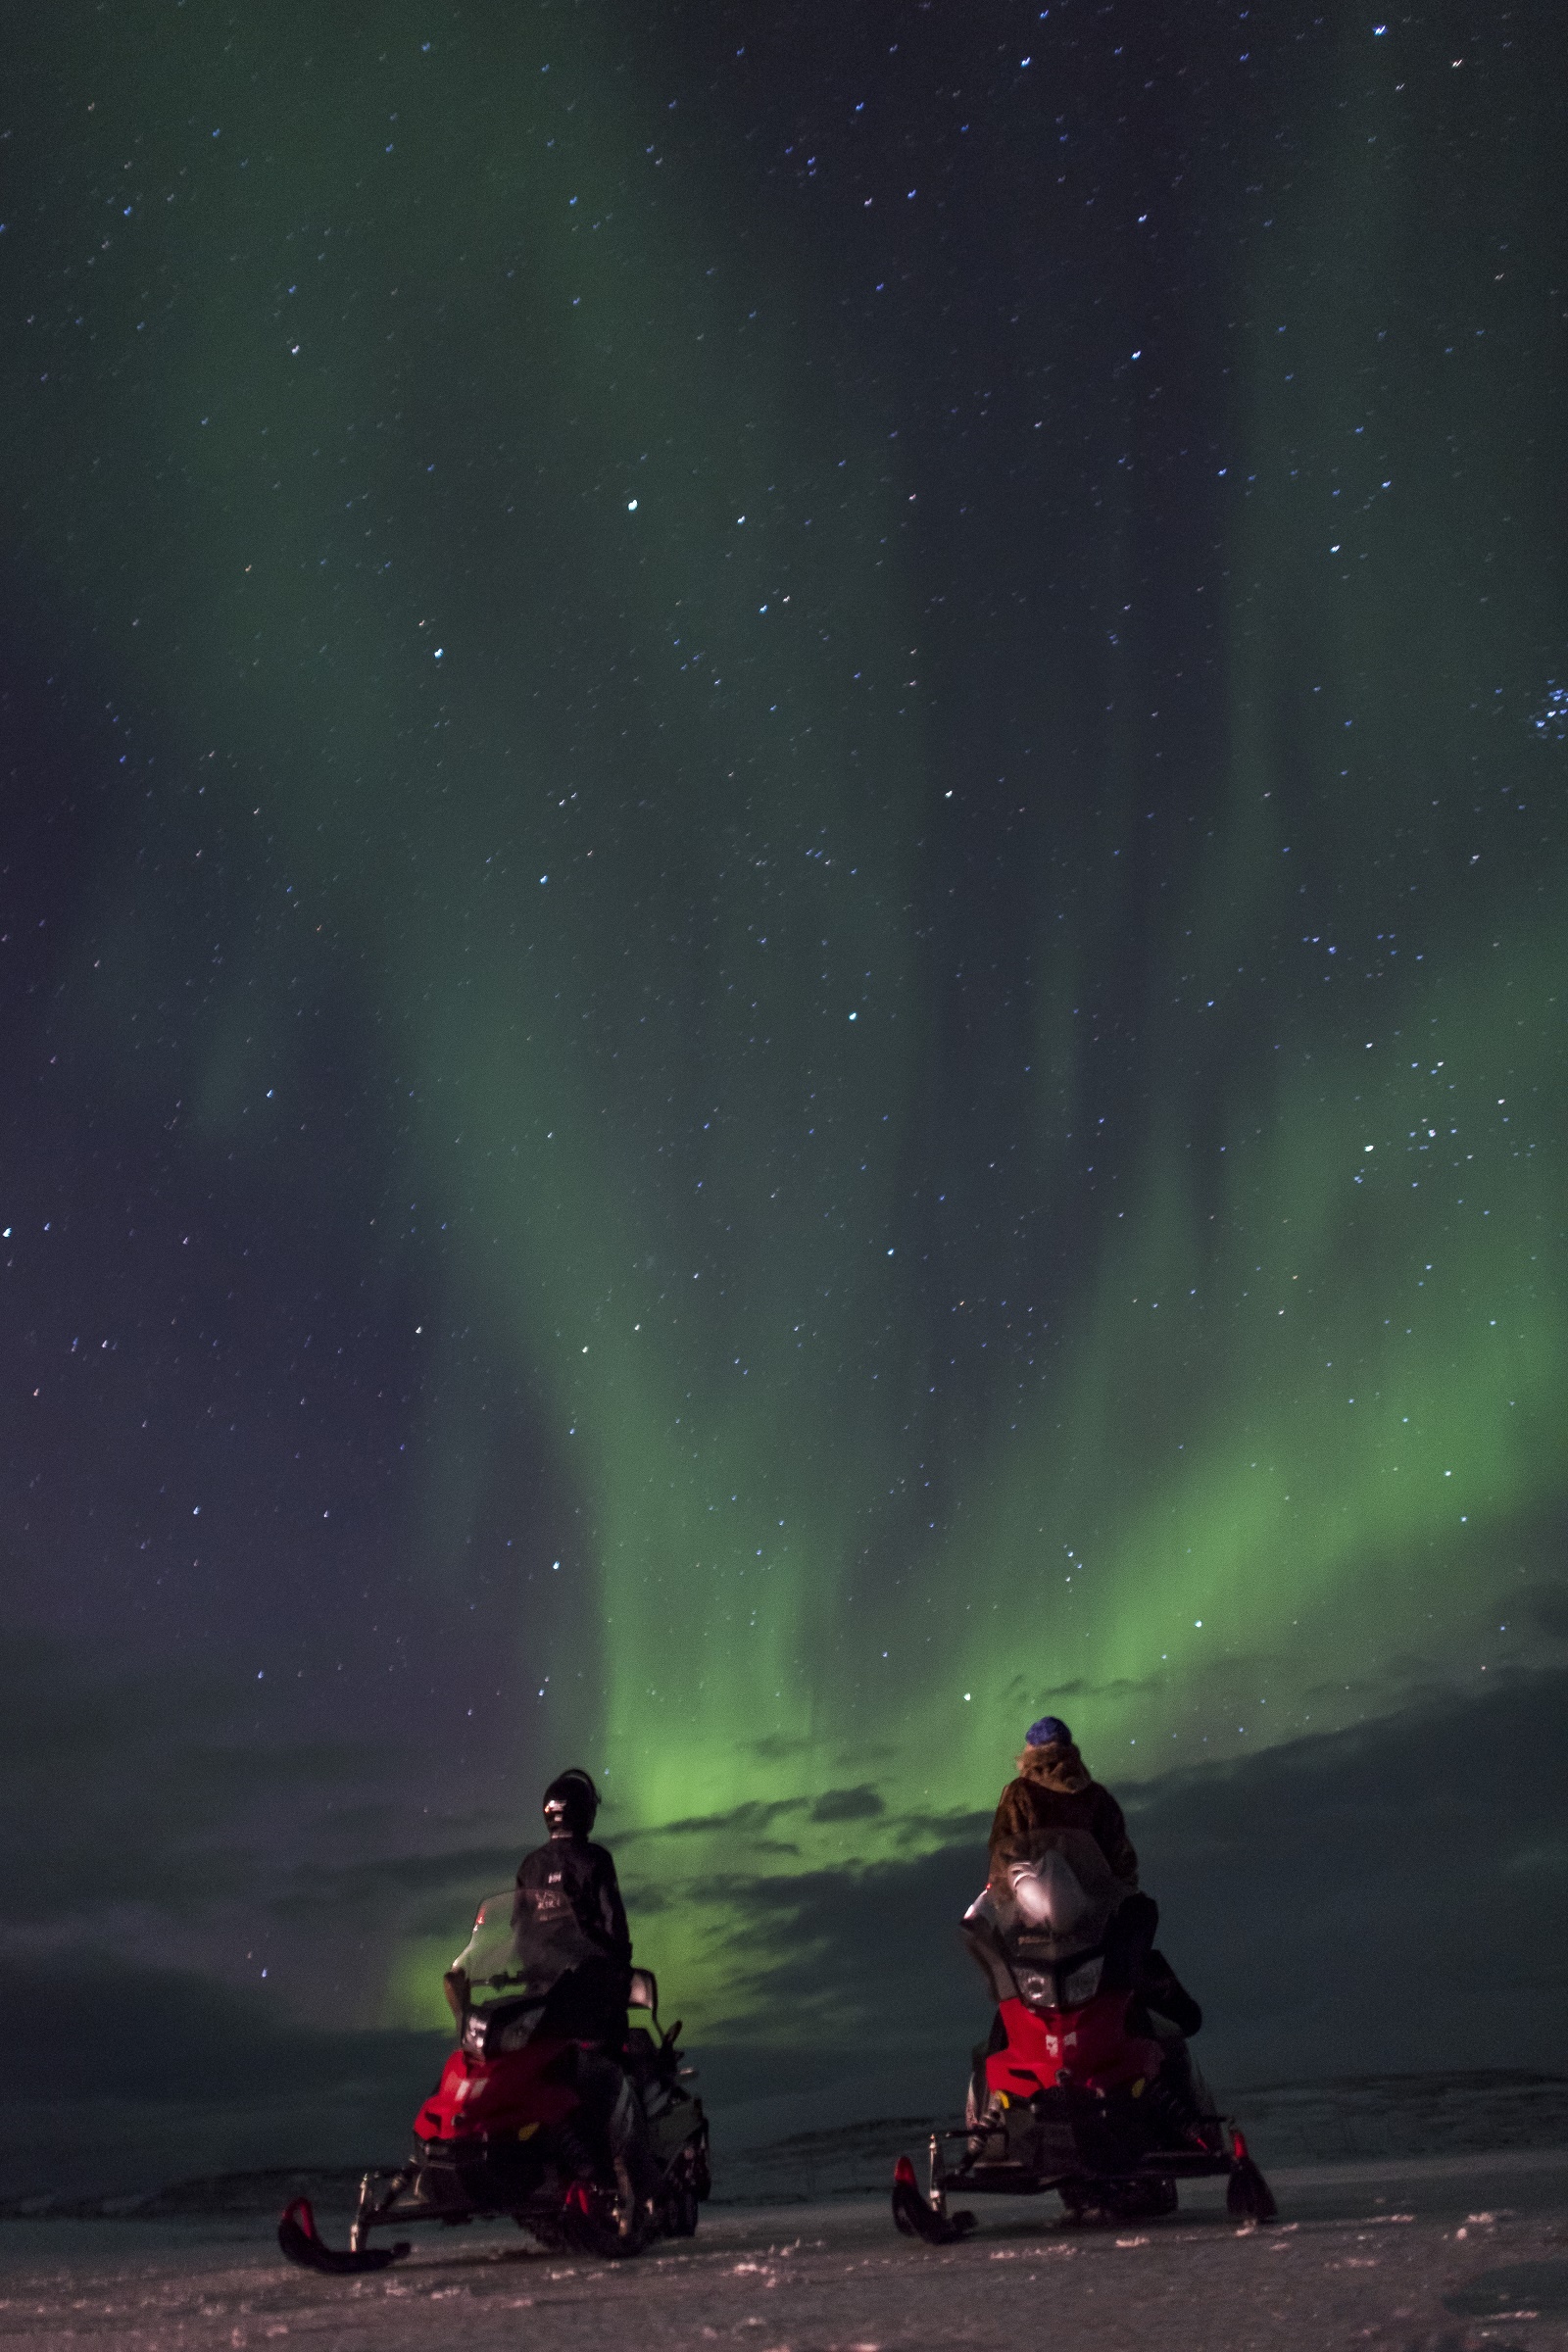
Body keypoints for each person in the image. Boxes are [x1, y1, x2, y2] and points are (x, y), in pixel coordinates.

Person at [988, 1714, 1200, 2034]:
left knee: (1017, 2002)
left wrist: (1007, 1906)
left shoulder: (1020, 1794)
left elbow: (1006, 1854)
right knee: (1132, 1966)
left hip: (1039, 1925)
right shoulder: (1097, 1797)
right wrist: (1114, 1899)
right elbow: (1123, 1862)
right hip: (1095, 1922)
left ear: (1030, 1751)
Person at [514, 1768, 656, 2221]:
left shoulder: (530, 1866)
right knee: (617, 2078)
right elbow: (616, 1929)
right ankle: (635, 2182)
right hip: (590, 1998)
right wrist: (616, 1968)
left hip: (541, 2003)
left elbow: (519, 1935)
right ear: (586, 1811)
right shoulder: (595, 1860)